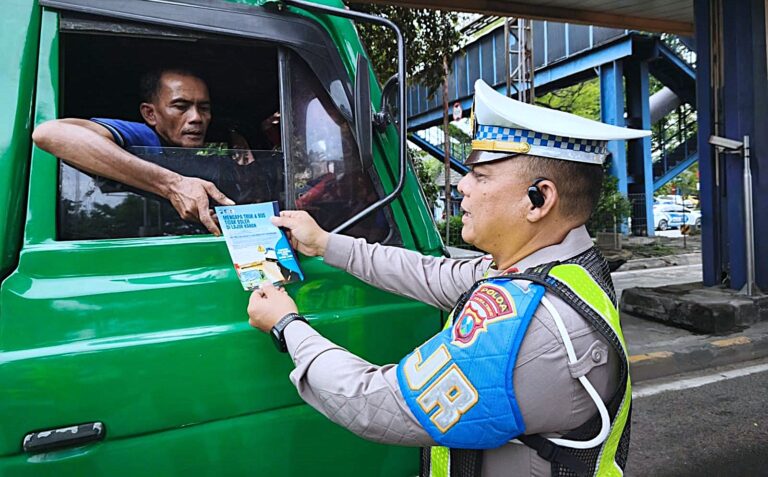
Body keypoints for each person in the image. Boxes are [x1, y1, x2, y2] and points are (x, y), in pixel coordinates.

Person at [246, 79, 650, 476]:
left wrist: (287, 326)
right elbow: (429, 274)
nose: (461, 186)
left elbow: (376, 405)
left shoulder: (536, 326)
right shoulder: (552, 268)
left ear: (539, 199)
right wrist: (326, 244)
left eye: (481, 176)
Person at [32, 67, 279, 235]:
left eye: (203, 108)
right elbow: (50, 134)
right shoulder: (143, 136)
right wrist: (173, 185)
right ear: (150, 114)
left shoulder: (197, 155)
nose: (196, 118)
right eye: (181, 106)